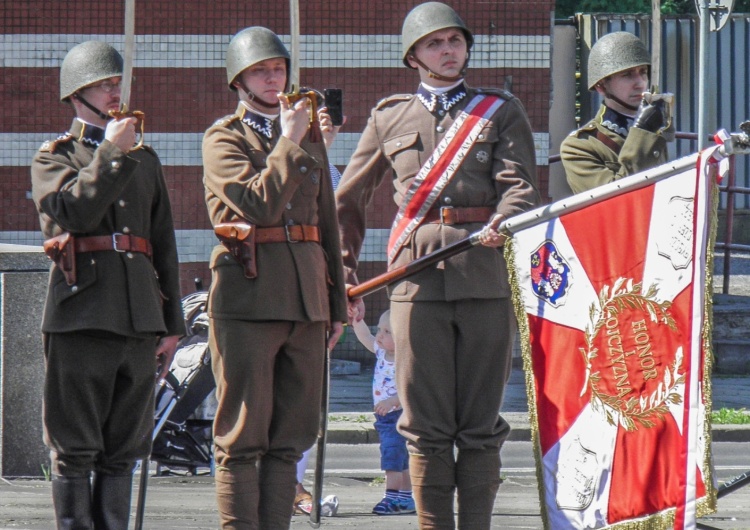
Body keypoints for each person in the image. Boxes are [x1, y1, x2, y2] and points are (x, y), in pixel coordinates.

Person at [335, 2, 540, 528]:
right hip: (414, 281)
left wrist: (504, 220)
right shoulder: (390, 117)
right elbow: (348, 202)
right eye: (435, 43)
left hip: (484, 273)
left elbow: (520, 186)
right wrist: (344, 273)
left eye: (455, 41)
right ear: (414, 56)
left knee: (479, 423)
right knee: (423, 423)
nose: (448, 51)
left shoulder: (499, 110)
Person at [30, 40, 184, 529]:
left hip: (139, 318)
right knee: (74, 448)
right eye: (103, 83)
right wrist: (112, 154)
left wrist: (171, 324)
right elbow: (73, 211)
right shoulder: (54, 157)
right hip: (82, 316)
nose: (115, 91)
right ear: (78, 94)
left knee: (124, 450)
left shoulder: (146, 159)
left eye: (117, 82)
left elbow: (163, 246)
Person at [202, 26, 347, 529]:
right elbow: (258, 206)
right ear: (238, 81)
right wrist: (287, 139)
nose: (272, 78)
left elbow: (326, 221)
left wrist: (337, 305)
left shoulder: (306, 137)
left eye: (278, 69)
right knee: (243, 438)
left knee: (291, 438)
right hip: (249, 297)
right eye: (260, 71)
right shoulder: (224, 137)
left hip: (307, 300)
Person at [560, 31, 675, 194]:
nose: (640, 83)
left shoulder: (654, 130)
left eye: (643, 72)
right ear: (601, 86)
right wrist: (642, 132)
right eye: (627, 75)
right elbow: (616, 198)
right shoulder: (579, 146)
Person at [350, 308, 415, 516]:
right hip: (384, 417)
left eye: (388, 332)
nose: (379, 335)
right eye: (380, 329)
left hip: (397, 415)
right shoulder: (380, 351)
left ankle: (391, 497)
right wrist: (356, 320)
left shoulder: (404, 360)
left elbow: (412, 390)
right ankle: (405, 498)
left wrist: (392, 402)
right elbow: (364, 336)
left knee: (392, 457)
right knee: (401, 459)